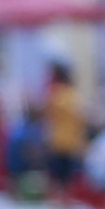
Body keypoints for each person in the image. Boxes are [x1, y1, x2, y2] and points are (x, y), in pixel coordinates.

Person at [41, 61, 87, 194]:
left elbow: (46, 114)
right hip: (69, 140)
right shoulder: (72, 94)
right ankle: (63, 199)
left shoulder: (55, 93)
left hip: (58, 140)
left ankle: (58, 199)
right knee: (65, 174)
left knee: (58, 173)